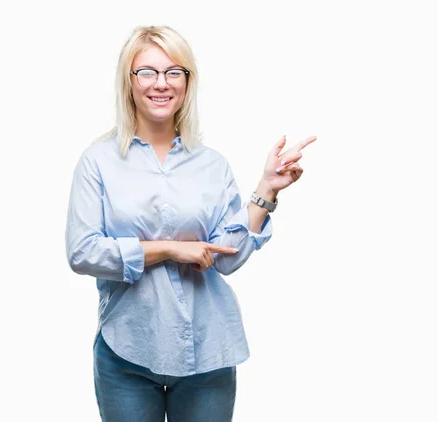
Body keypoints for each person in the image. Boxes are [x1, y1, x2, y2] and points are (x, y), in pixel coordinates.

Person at [65, 25, 316, 422]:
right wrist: (169, 249)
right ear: (128, 82)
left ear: (187, 82)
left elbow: (226, 258)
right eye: (146, 71)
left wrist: (267, 189)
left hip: (208, 347)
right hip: (127, 349)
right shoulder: (98, 161)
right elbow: (83, 253)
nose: (160, 83)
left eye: (173, 72)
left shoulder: (211, 164)